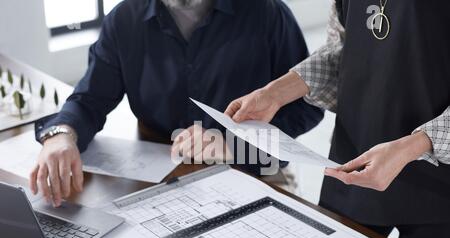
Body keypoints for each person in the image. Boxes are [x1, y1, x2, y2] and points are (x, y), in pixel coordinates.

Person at [30, 0, 324, 207]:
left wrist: (233, 144)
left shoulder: (267, 13)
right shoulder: (124, 19)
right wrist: (61, 136)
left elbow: (308, 106)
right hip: (159, 176)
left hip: (251, 169)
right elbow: (89, 99)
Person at [225, 0, 450, 238]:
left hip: (438, 193)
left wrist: (412, 146)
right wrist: (274, 92)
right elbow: (344, 51)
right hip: (351, 168)